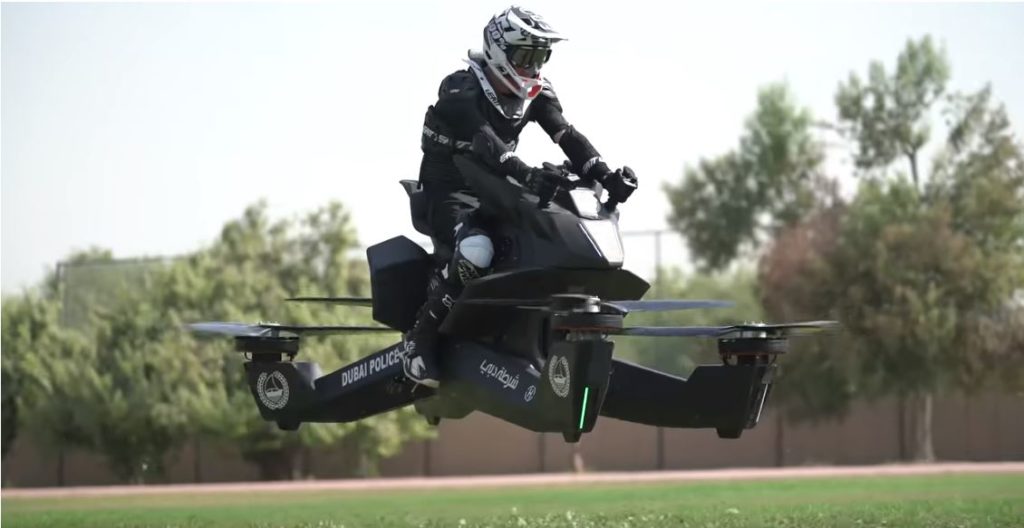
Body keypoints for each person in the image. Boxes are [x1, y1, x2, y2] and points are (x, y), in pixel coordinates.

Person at [403, 5, 638, 387]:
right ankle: (419, 341)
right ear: (498, 51)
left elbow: (566, 135)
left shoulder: (539, 93)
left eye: (540, 57)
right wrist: (526, 174)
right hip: (449, 194)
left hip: (498, 187)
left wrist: (605, 173)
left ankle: (535, 331)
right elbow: (486, 142)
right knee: (478, 249)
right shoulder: (460, 88)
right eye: (526, 56)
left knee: (545, 237)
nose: (533, 67)